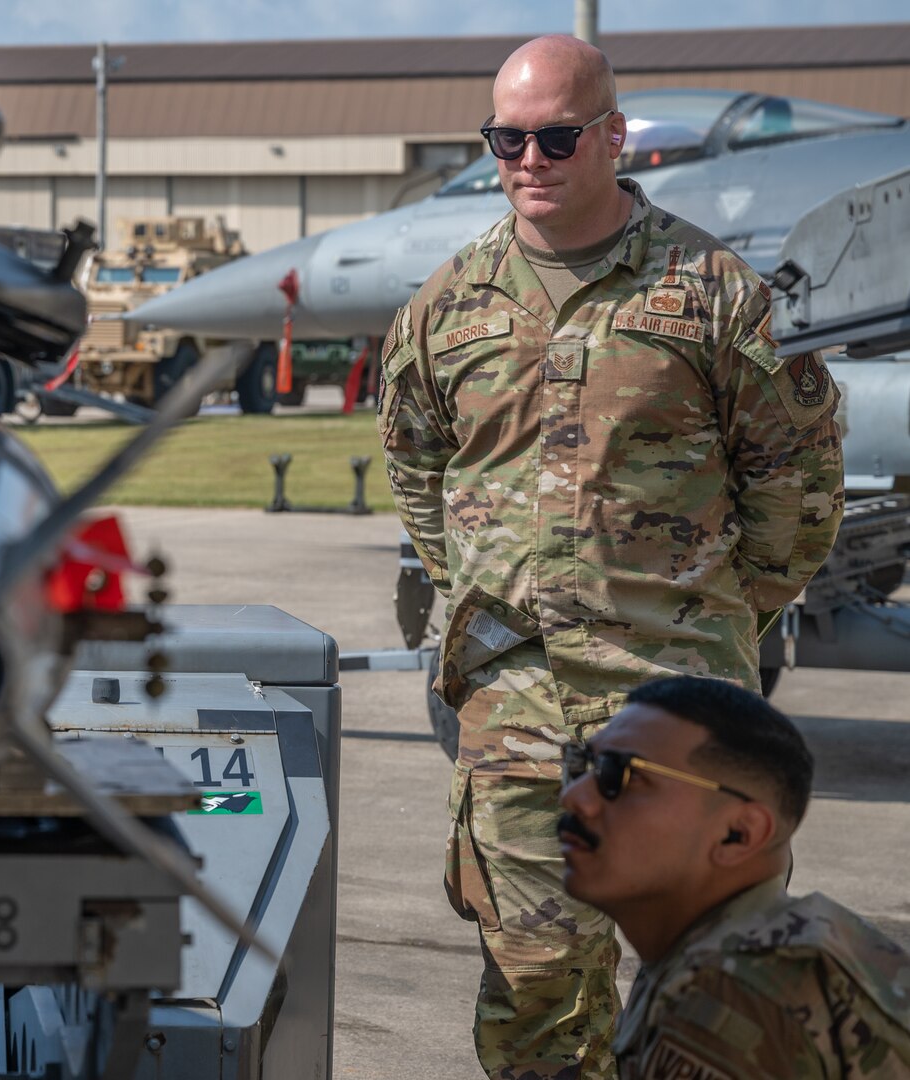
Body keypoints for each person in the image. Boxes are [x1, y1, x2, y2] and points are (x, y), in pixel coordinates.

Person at [377, 35, 846, 1079]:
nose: (528, 158)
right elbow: (416, 466)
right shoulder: (446, 306)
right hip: (517, 709)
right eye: (506, 138)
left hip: (682, 708)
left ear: (613, 137)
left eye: (555, 135)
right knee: (537, 986)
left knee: (720, 994)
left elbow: (798, 486)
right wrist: (485, 587)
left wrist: (716, 613)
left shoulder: (718, 294)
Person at [557, 676, 910, 1078]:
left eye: (620, 775)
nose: (575, 797)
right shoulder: (726, 951)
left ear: (739, 832)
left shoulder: (730, 1001)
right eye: (581, 765)